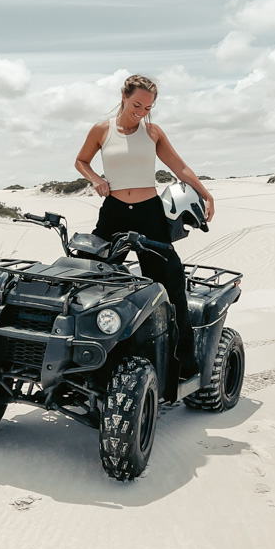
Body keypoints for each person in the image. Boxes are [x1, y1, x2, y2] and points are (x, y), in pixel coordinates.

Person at [74, 73, 214, 378]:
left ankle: (182, 364)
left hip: (150, 214)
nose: (142, 112)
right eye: (137, 104)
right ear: (123, 97)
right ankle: (86, 363)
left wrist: (206, 193)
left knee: (171, 284)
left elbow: (179, 167)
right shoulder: (101, 130)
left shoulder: (153, 133)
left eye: (148, 107)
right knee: (90, 281)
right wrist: (96, 180)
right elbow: (81, 161)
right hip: (113, 214)